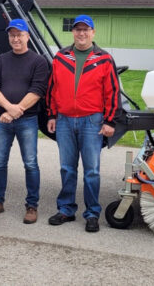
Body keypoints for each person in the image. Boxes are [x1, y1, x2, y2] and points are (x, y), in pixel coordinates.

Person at [46, 15, 122, 233]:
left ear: (93, 32)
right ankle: (66, 210)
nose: (81, 34)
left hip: (92, 120)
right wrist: (52, 115)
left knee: (92, 170)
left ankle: (92, 214)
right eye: (78, 30)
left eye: (86, 30)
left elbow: (112, 92)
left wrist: (110, 121)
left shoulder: (104, 59)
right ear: (73, 32)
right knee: (67, 168)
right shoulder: (61, 57)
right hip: (64, 120)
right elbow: (52, 89)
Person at [0, 19, 49, 224]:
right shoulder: (0, 60)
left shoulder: (38, 61)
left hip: (27, 121)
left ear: (27, 36)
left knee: (30, 163)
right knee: (0, 163)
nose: (16, 38)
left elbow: (38, 90)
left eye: (19, 34)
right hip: (2, 121)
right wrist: (10, 109)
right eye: (12, 35)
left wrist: (14, 111)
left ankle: (32, 205)